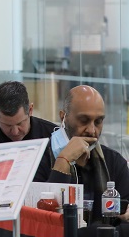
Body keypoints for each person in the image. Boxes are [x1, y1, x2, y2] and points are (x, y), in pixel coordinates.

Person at [47, 85, 129, 220]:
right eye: (84, 120)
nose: (91, 130)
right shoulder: (41, 157)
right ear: (63, 117)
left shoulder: (114, 163)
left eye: (98, 121)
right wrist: (63, 160)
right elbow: (44, 219)